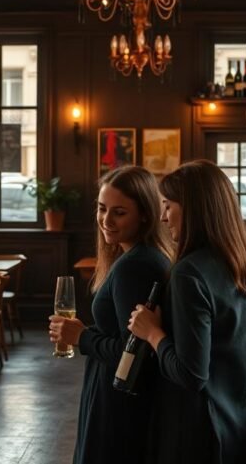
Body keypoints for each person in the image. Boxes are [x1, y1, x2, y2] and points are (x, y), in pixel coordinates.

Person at [128, 160, 246, 464]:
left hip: (201, 434)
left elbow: (190, 375)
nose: (162, 216)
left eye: (168, 205)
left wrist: (152, 333)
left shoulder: (189, 274)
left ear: (194, 210)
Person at [49, 166, 172, 464]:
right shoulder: (140, 256)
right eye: (102, 209)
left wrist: (82, 337)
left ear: (145, 214)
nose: (106, 220)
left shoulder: (136, 265)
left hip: (118, 402)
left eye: (119, 212)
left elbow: (133, 354)